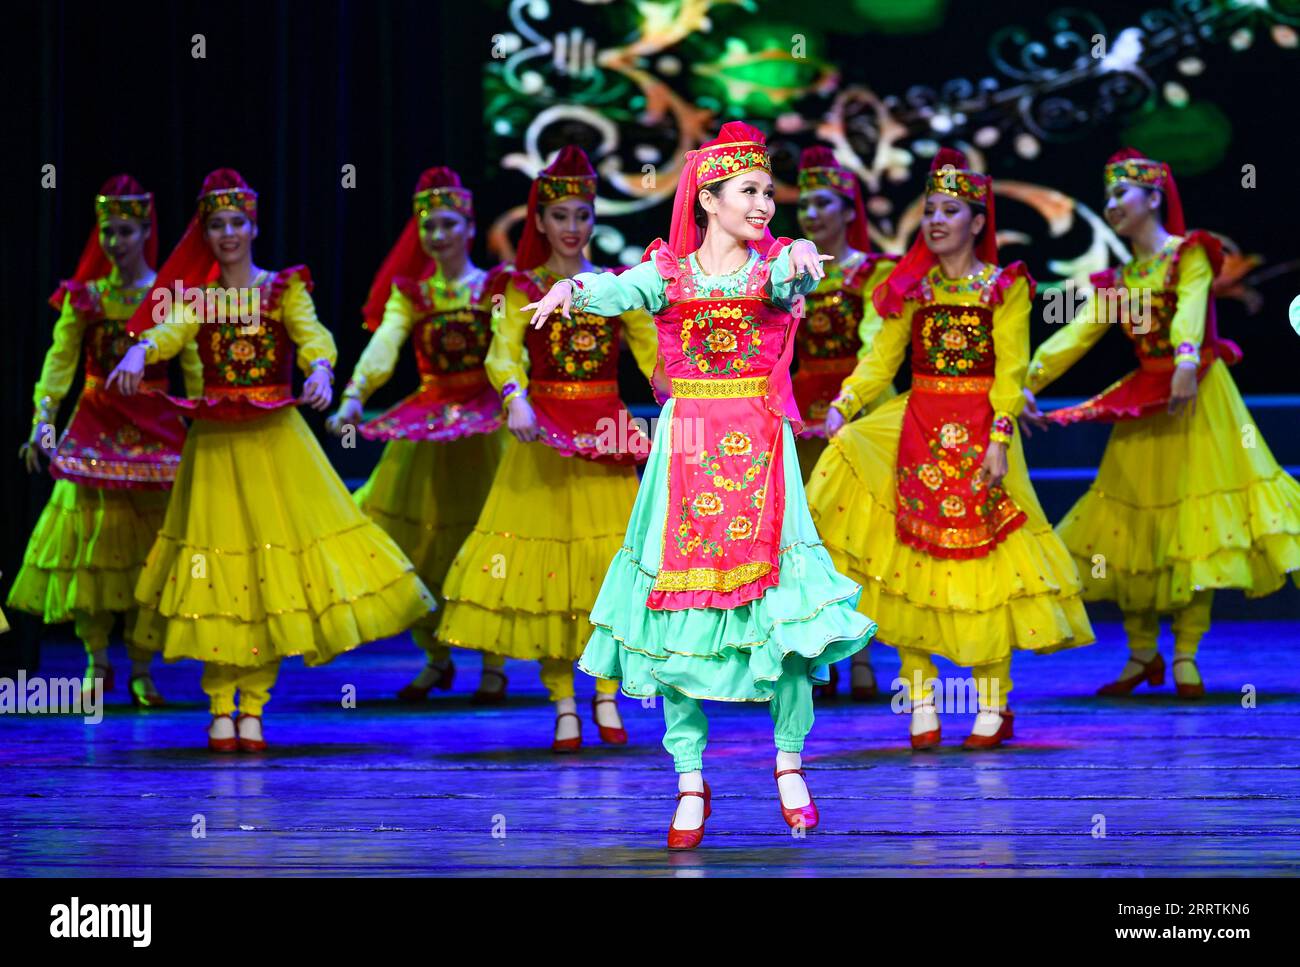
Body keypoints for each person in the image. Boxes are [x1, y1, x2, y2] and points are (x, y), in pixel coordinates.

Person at [524, 122, 877, 849]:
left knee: (783, 613)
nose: (765, 206)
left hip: (760, 448)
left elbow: (794, 271)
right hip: (686, 451)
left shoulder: (771, 269)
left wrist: (803, 255)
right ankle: (689, 775)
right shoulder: (670, 274)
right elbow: (617, 288)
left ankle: (788, 761)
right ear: (709, 199)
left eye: (768, 193)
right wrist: (571, 287)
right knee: (676, 617)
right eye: (749, 192)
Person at [107, 168, 435, 751]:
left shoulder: (283, 289)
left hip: (275, 441)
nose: (229, 233)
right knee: (215, 571)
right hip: (214, 448)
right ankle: (217, 703)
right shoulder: (198, 299)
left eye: (237, 222)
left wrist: (320, 370)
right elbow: (166, 334)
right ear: (205, 234)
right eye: (217, 225)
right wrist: (138, 352)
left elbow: (314, 338)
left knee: (270, 575)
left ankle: (253, 706)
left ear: (253, 225)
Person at [809, 148, 1094, 751]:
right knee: (911, 568)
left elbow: (1011, 371)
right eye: (930, 210)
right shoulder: (909, 288)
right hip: (917, 429)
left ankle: (993, 702)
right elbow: (881, 359)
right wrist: (845, 405)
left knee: (985, 568)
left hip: (982, 433)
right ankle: (921, 698)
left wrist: (999, 439)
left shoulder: (1004, 287)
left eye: (951, 210)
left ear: (977, 221)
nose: (936, 220)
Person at [1022, 148, 1300, 698]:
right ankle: (1142, 652)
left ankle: (1187, 654)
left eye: (1121, 193)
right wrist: (1028, 382)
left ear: (1152, 197)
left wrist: (1189, 358)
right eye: (1108, 196)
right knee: (1136, 528)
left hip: (1195, 394)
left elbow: (1193, 306)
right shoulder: (1118, 279)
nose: (1111, 204)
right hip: (1146, 397)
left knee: (1195, 526)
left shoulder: (1188, 254)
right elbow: (1076, 334)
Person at [437, 146, 659, 752]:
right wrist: (514, 397)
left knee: (608, 568)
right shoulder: (518, 286)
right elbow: (502, 349)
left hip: (606, 430)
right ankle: (563, 700)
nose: (571, 227)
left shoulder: (614, 285)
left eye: (582, 215)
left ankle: (608, 693)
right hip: (544, 432)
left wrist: (680, 390)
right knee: (546, 575)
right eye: (559, 215)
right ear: (539, 221)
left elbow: (651, 353)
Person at [9, 175, 202, 705]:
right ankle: (97, 662)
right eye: (108, 231)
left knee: (151, 558)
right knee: (88, 557)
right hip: (92, 430)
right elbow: (58, 368)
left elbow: (194, 366)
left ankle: (141, 667)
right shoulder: (85, 298)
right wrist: (40, 429)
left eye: (126, 231)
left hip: (155, 429)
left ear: (146, 232)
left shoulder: (168, 296)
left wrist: (207, 426)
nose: (116, 242)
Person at [327, 167, 508, 703]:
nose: (438, 235)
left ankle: (494, 663)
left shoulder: (493, 288)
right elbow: (386, 342)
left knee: (485, 540)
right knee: (420, 541)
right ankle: (435, 657)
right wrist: (354, 395)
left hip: (485, 421)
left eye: (448, 224)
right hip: (429, 423)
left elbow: (506, 348)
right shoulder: (413, 294)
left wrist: (516, 397)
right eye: (429, 226)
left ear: (468, 227)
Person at [793, 146, 898, 701]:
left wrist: (847, 405)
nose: (811, 214)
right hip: (798, 411)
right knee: (812, 538)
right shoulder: (787, 274)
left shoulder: (873, 273)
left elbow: (875, 347)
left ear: (847, 207)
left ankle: (864, 654)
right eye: (804, 203)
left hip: (856, 412)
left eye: (823, 203)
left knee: (863, 537)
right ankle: (820, 654)